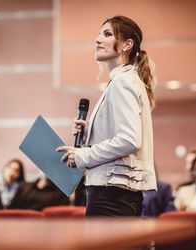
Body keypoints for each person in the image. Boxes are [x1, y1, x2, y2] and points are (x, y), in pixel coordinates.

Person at [57, 16, 157, 217]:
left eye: (107, 33)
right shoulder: (125, 79)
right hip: (115, 192)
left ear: (127, 44)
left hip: (111, 194)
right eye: (99, 33)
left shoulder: (122, 82)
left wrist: (82, 155)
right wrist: (89, 135)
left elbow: (129, 140)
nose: (97, 39)